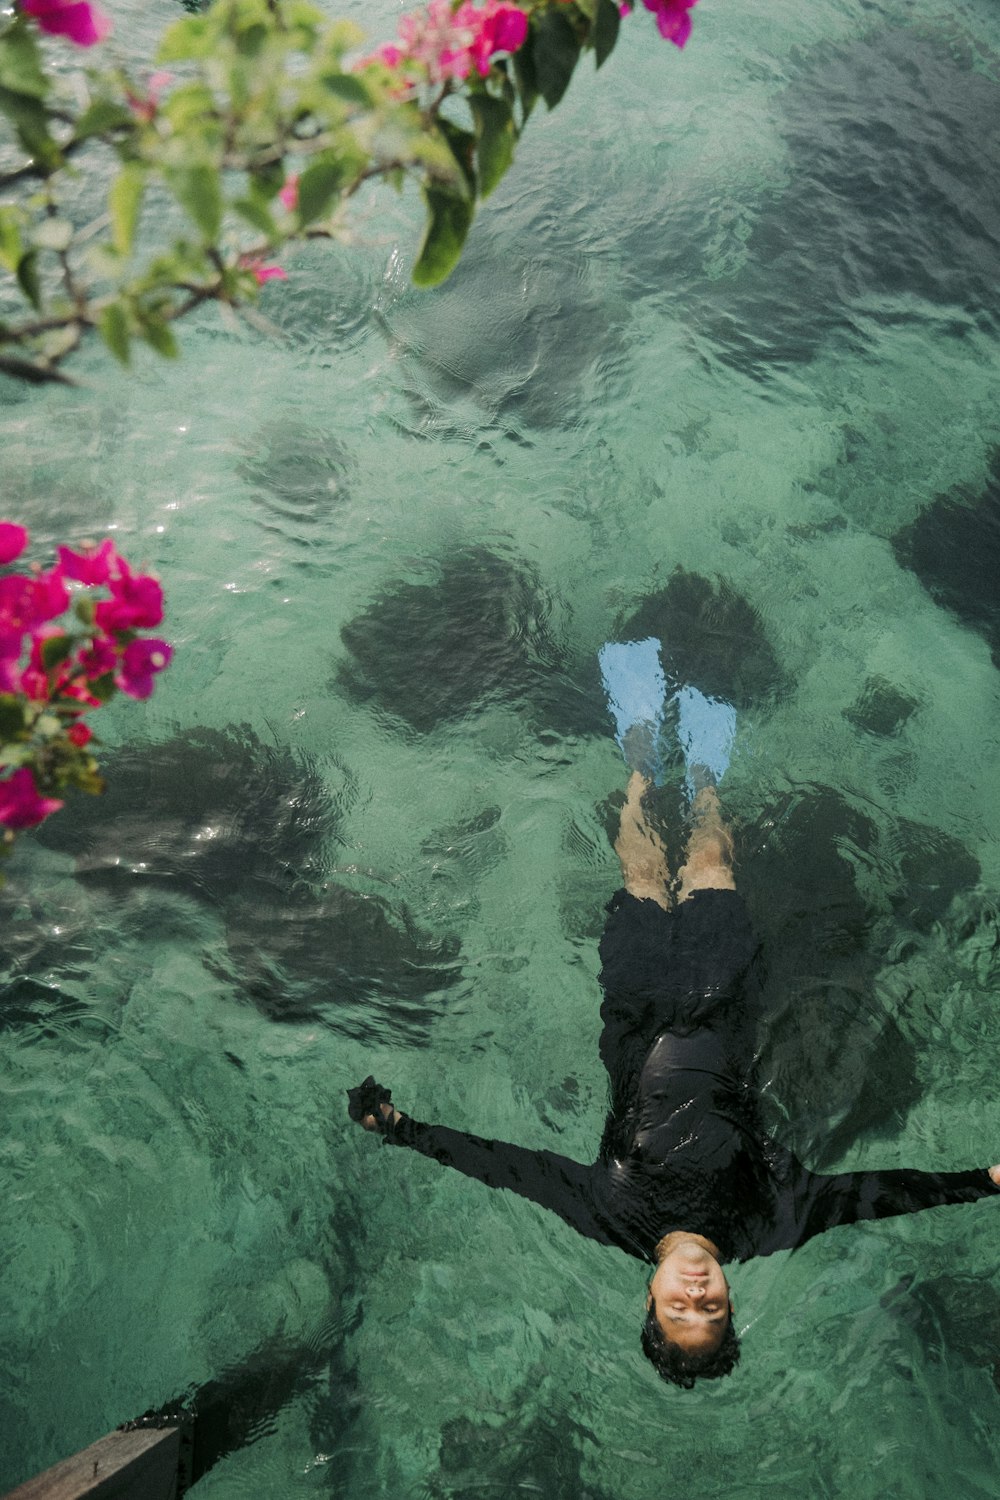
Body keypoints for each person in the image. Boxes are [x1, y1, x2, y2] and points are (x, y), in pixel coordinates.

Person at [348, 639, 1000, 1389]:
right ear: (729, 1300)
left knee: (641, 874)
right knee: (714, 866)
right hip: (725, 1000)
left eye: (679, 1311)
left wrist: (402, 1132)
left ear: (649, 1300)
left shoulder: (609, 1215)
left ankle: (641, 759)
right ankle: (706, 777)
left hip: (634, 1011)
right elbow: (875, 1198)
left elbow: (507, 1168)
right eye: (712, 1312)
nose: (698, 1295)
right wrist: (981, 1180)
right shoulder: (769, 1220)